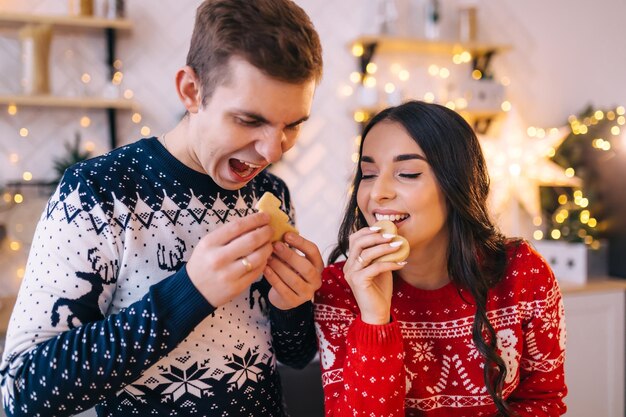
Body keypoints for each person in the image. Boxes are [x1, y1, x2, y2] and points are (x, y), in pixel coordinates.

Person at [0, 0, 324, 416]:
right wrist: (190, 292)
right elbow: (24, 391)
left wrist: (292, 304)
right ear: (191, 90)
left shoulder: (271, 193)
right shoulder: (97, 192)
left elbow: (294, 357)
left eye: (293, 125)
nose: (272, 150)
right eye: (248, 120)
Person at [314, 101, 567, 416]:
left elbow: (543, 402)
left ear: (456, 184)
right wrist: (374, 319)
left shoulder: (523, 273)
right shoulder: (340, 288)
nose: (377, 192)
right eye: (368, 174)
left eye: (407, 173)